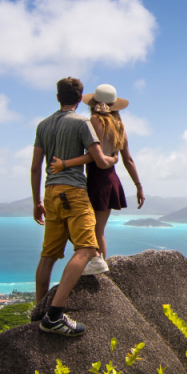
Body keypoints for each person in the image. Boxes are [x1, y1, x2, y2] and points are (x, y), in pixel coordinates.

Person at [30, 77, 118, 336]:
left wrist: (36, 201)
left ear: (58, 97)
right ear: (80, 99)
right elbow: (100, 160)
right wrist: (113, 158)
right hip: (73, 191)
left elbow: (36, 166)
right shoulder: (82, 123)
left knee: (47, 256)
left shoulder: (43, 125)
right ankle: (54, 316)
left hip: (50, 192)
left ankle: (39, 311)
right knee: (87, 249)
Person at [49, 84, 144, 259]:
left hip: (98, 179)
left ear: (93, 104)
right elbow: (128, 159)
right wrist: (138, 186)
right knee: (96, 230)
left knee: (93, 230)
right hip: (110, 179)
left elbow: (95, 156)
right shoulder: (120, 126)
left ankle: (99, 268)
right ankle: (97, 265)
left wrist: (65, 164)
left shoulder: (94, 121)